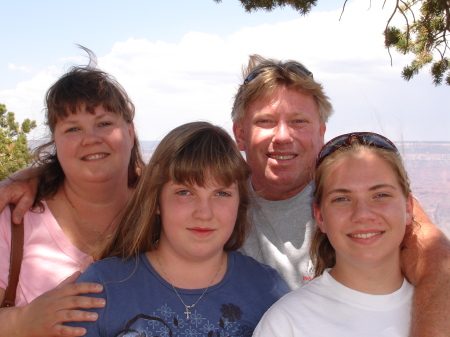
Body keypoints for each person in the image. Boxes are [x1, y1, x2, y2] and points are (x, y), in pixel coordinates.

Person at [231, 54, 450, 336]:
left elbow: (438, 265)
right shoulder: (214, 204)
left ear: (321, 132)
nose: (283, 136)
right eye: (266, 121)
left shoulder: (353, 196)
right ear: (240, 135)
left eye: (299, 121)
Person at [64, 121, 290, 337]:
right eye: (185, 192)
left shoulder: (266, 289)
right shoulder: (103, 287)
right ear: (157, 201)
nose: (204, 213)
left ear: (239, 203)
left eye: (221, 193)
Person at [0, 51, 145, 337]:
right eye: (73, 128)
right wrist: (21, 321)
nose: (91, 139)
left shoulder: (163, 210)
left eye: (104, 123)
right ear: (56, 141)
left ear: (130, 132)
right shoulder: (14, 217)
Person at [253, 132, 415, 336]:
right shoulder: (287, 324)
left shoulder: (438, 308)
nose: (363, 214)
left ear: (408, 207)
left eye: (380, 195)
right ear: (320, 217)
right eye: (342, 199)